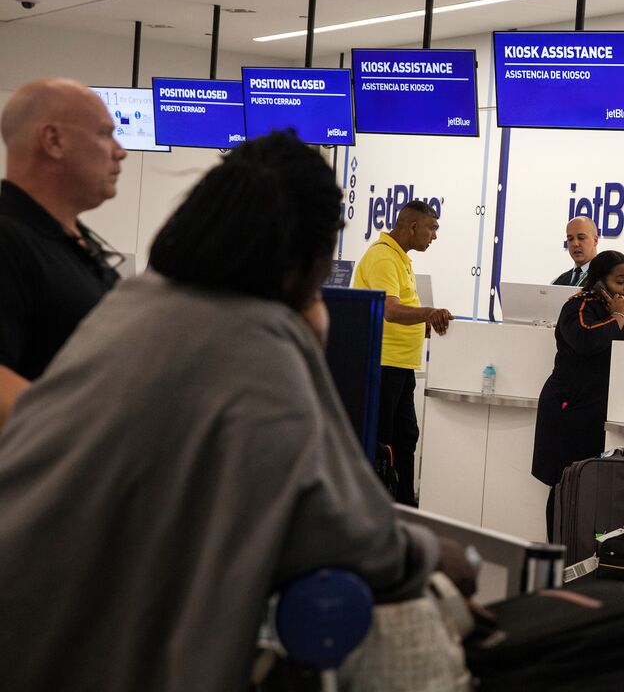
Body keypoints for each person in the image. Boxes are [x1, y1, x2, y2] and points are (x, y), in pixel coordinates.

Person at [0, 131, 471, 691]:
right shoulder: (255, 341)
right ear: (309, 256)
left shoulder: (131, 305)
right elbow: (348, 533)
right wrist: (433, 555)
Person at [0, 78, 126, 430]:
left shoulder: (77, 244)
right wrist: (93, 439)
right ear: (53, 141)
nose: (120, 150)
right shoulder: (8, 241)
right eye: (104, 134)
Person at [532, 249, 624, 538]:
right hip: (568, 410)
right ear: (599, 282)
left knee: (593, 486)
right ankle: (557, 553)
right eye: (620, 281)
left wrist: (623, 316)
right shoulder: (577, 306)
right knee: (564, 485)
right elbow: (586, 341)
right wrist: (617, 318)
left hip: (598, 412)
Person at [353, 200, 453, 506]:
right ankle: (380, 508)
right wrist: (430, 313)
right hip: (383, 366)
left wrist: (420, 325)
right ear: (412, 227)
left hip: (399, 367)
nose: (434, 236)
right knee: (384, 444)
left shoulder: (399, 259)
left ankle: (404, 508)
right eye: (432, 228)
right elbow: (391, 310)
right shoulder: (383, 257)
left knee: (405, 438)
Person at [551, 215, 599, 286]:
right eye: (570, 239)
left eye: (581, 238)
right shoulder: (557, 282)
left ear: (595, 240)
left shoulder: (606, 279)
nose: (575, 244)